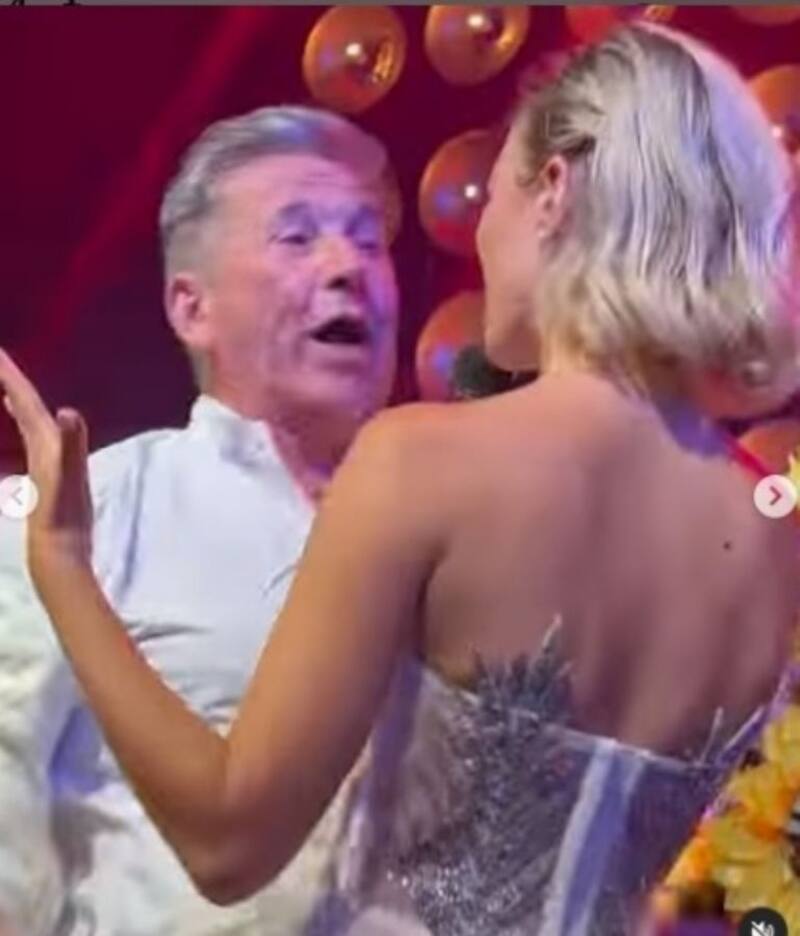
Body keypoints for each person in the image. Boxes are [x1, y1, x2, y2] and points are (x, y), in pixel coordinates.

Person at [2, 23, 800, 936]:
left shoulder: (422, 462)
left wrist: (64, 567)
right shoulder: (776, 542)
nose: (479, 235)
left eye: (495, 189)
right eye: (299, 236)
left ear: (553, 191)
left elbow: (227, 842)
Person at [0, 105, 399, 935]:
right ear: (192, 308)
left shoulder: (446, 542)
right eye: (297, 237)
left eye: (368, 241)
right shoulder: (88, 512)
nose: (347, 267)